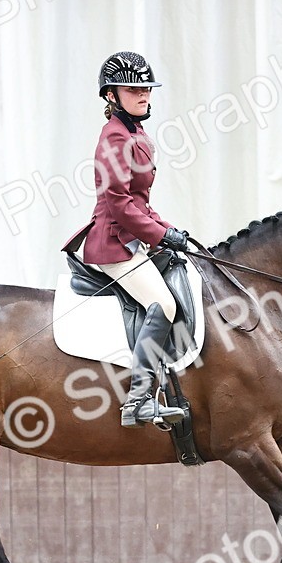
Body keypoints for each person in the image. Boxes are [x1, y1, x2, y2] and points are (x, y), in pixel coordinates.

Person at [80, 51, 191, 428]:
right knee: (163, 303)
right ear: (112, 95)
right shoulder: (114, 137)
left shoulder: (135, 132)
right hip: (112, 244)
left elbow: (141, 203)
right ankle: (139, 400)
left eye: (147, 88)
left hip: (131, 236)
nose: (144, 95)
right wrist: (160, 235)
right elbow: (119, 203)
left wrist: (169, 230)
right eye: (134, 89)